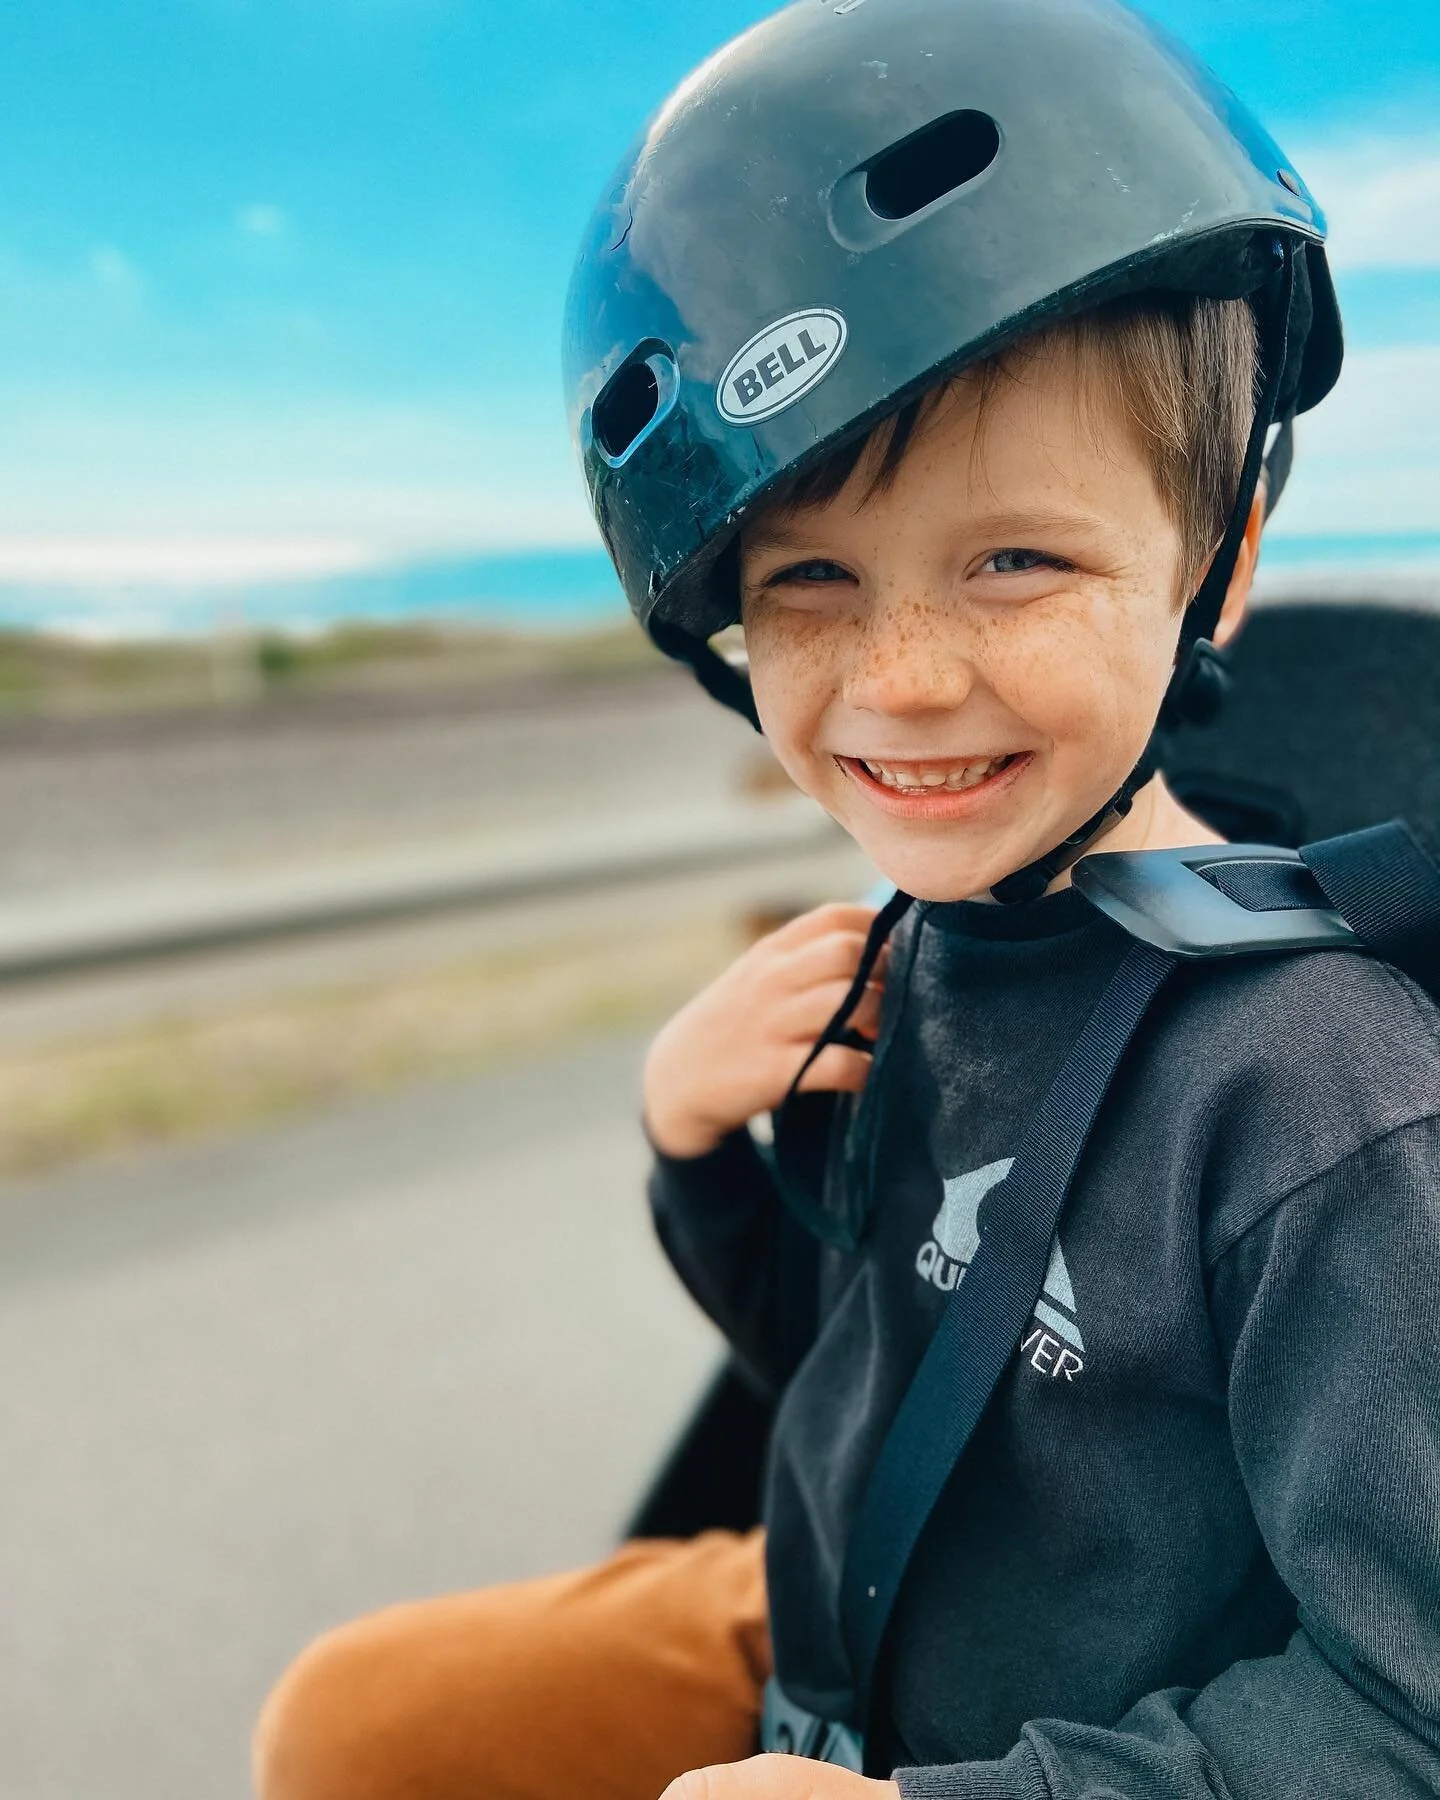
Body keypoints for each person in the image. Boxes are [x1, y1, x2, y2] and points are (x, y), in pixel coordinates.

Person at [253, 2, 1440, 1797]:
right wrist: (701, 1151)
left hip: (1054, 1753)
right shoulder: (924, 959)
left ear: (1222, 562)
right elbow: (873, 1384)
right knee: (352, 1730)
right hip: (841, 1648)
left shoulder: (1319, 1102)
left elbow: (1407, 1712)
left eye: (1015, 560)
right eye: (809, 579)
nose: (896, 676)